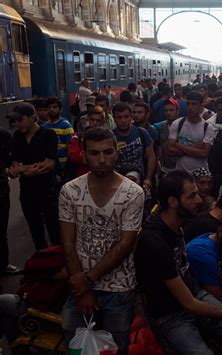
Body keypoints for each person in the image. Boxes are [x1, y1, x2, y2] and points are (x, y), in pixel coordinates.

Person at [134, 170, 222, 355]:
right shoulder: (154, 242)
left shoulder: (179, 224)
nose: (199, 199)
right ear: (173, 202)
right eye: (192, 195)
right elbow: (188, 304)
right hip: (171, 315)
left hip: (195, 295)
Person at [59, 128, 144, 354]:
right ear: (84, 156)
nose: (102, 160)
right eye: (95, 153)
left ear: (117, 153)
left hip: (119, 288)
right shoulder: (70, 191)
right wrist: (83, 288)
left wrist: (87, 280)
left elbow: (126, 244)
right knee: (75, 345)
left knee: (115, 348)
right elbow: (68, 242)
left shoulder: (133, 193)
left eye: (108, 152)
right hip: (79, 286)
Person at [9, 103, 59, 250]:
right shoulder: (17, 137)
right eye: (15, 121)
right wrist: (29, 168)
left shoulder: (49, 135)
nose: (17, 124)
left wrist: (22, 169)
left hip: (48, 191)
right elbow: (14, 164)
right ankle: (42, 262)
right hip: (27, 193)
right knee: (36, 232)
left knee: (54, 231)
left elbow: (49, 164)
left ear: (32, 118)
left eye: (20, 120)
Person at [168, 91, 215, 174]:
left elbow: (204, 153)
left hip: (200, 175)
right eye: (188, 104)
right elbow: (170, 150)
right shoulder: (177, 124)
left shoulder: (207, 127)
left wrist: (179, 145)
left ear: (201, 106)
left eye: (194, 104)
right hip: (181, 173)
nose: (190, 107)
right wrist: (197, 148)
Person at [113, 102, 156, 190]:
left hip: (139, 182)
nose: (123, 121)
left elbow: (151, 157)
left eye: (126, 117)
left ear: (131, 117)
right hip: (118, 183)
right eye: (119, 117)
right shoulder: (110, 136)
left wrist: (148, 179)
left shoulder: (141, 132)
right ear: (114, 119)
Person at [0, 128, 20, 274]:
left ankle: (3, 264)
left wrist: (9, 170)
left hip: (1, 190)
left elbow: (8, 161)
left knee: (1, 230)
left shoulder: (4, 135)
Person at [68, 106, 108, 178]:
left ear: (103, 122)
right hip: (81, 178)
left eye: (98, 120)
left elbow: (109, 158)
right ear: (88, 120)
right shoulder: (77, 137)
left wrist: (86, 158)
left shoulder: (107, 138)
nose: (94, 123)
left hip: (101, 178)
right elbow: (73, 156)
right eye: (92, 120)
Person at [43, 97, 74, 175]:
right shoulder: (44, 127)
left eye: (54, 107)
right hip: (49, 165)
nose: (52, 109)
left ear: (60, 109)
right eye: (49, 107)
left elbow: (70, 147)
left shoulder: (66, 126)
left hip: (63, 165)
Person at [153, 98, 180, 176]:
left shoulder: (183, 126)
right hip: (165, 169)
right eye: (166, 110)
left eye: (171, 110)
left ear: (177, 111)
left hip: (180, 168)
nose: (168, 113)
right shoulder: (161, 126)